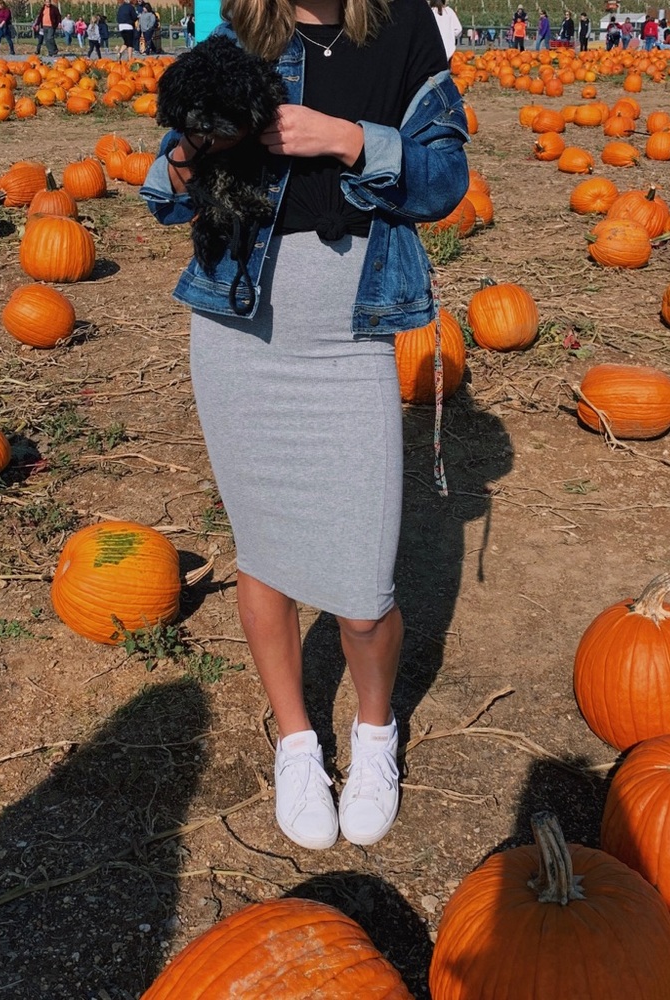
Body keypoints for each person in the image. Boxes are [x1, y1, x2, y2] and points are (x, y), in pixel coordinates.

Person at [140, 0, 468, 851]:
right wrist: (186, 156)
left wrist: (349, 139)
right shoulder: (235, 34)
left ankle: (374, 734)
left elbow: (444, 181)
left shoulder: (405, 33)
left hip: (348, 337)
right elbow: (164, 193)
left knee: (363, 596)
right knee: (267, 556)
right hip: (237, 334)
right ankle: (294, 738)